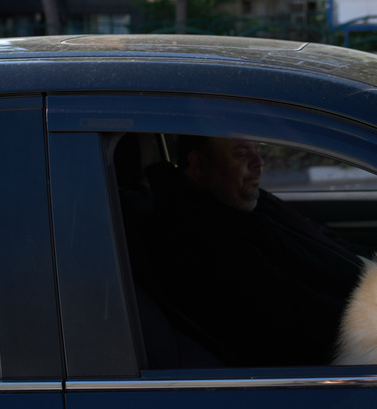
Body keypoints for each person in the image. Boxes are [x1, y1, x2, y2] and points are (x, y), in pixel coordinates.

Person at [128, 135, 364, 368]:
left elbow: (321, 236)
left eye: (257, 150)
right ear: (199, 164)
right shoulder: (202, 240)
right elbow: (294, 309)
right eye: (241, 153)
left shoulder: (244, 201)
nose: (258, 161)